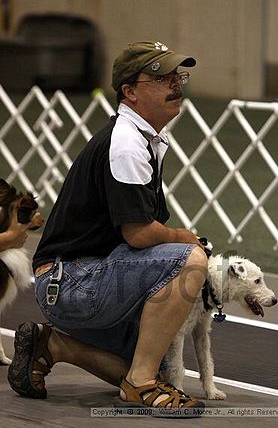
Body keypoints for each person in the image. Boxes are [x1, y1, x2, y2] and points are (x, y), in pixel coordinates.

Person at [8, 41, 208, 412]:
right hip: (69, 282)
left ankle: (53, 345)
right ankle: (139, 383)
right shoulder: (127, 144)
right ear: (129, 92)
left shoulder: (142, 137)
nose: (175, 84)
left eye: (178, 76)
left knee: (158, 358)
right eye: (162, 77)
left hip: (79, 278)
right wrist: (184, 238)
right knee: (191, 260)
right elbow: (141, 235)